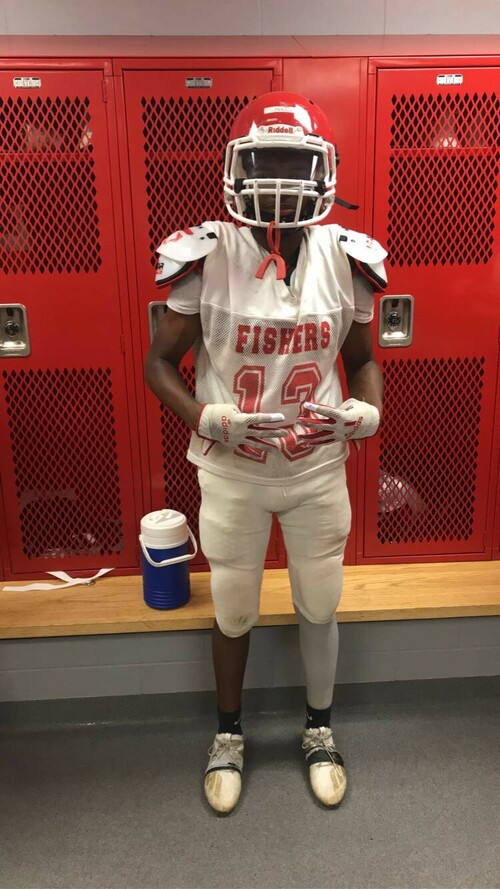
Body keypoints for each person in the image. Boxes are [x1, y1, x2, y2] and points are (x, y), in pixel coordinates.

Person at [145, 92, 386, 815]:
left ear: (322, 170)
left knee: (319, 603)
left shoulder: (348, 259)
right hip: (233, 468)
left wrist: (367, 408)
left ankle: (319, 729)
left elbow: (362, 359)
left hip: (315, 467)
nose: (279, 179)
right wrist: (204, 415)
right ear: (237, 168)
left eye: (292, 161)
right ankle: (228, 735)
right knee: (232, 607)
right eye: (266, 160)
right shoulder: (205, 256)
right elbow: (158, 362)